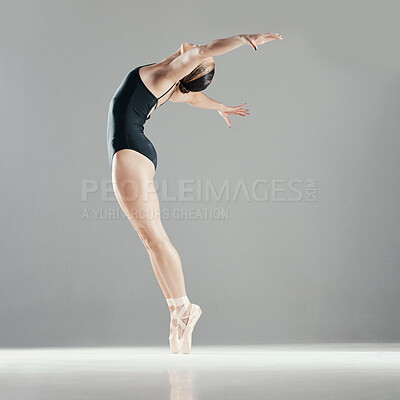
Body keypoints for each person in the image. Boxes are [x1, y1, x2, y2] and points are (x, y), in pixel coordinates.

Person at [106, 32, 283, 354]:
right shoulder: (170, 84)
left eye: (199, 59)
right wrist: (222, 107)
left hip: (130, 152)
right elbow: (194, 97)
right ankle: (178, 310)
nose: (195, 50)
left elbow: (205, 50)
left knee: (153, 237)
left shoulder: (164, 75)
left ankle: (184, 308)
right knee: (150, 239)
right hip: (134, 150)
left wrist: (245, 39)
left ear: (187, 67)